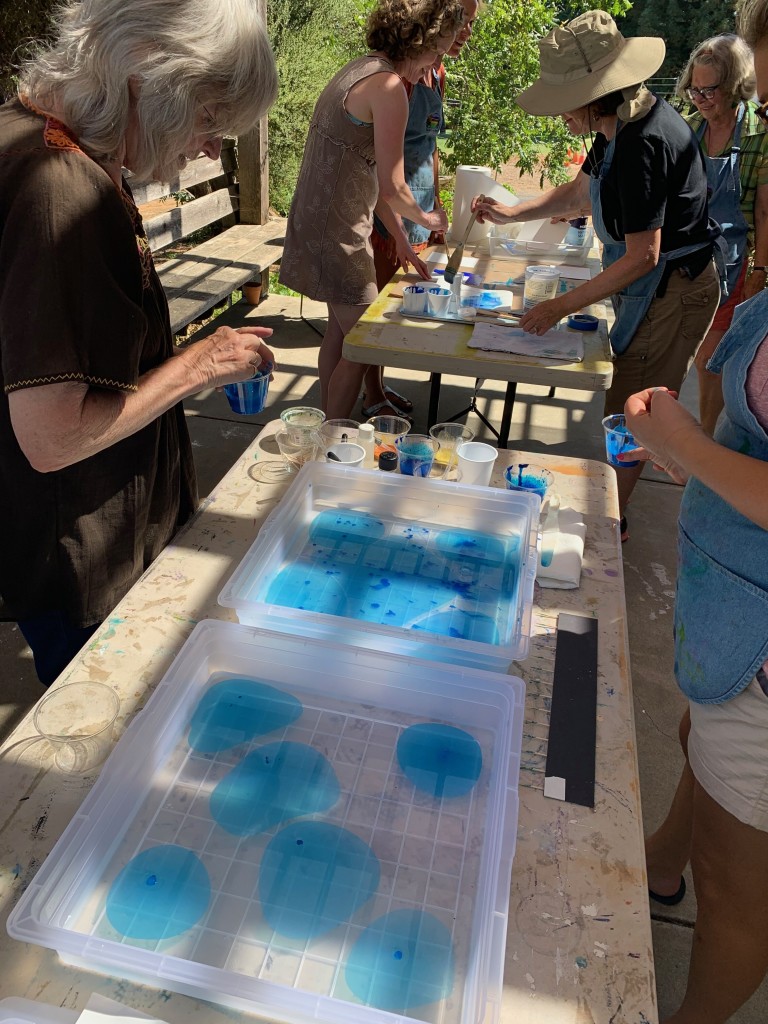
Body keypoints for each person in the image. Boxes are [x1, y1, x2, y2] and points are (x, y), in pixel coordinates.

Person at [0, 0, 278, 686]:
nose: (213, 146)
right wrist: (199, 365)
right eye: (211, 117)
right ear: (147, 69)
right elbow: (52, 437)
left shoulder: (39, 131)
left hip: (55, 541)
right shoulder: (58, 191)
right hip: (84, 556)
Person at [628, 6, 768, 1020]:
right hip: (736, 618)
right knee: (695, 729)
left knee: (742, 900)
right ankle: (661, 865)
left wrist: (680, 444)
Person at [472, 10, 721, 541]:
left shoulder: (642, 142)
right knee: (625, 405)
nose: (561, 115)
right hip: (655, 286)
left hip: (674, 289)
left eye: (566, 104)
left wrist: (558, 307)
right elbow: (581, 191)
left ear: (595, 93)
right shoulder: (617, 125)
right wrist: (511, 211)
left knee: (634, 412)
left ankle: (610, 525)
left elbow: (642, 256)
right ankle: (614, 510)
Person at [279, 0, 461, 420]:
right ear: (420, 40)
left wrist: (403, 242)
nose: (435, 63)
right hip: (336, 235)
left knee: (339, 339)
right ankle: (333, 440)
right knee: (367, 343)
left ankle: (327, 431)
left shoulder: (359, 69)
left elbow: (373, 179)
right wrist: (430, 218)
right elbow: (394, 186)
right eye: (437, 51)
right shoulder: (391, 88)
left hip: (320, 225)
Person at [362, 0, 479, 420]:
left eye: (470, 22)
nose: (466, 31)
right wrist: (412, 216)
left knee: (395, 306)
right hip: (386, 209)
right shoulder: (399, 77)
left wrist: (436, 202)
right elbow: (380, 169)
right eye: (462, 20)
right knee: (372, 309)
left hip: (420, 201)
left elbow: (428, 147)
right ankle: (370, 391)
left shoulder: (436, 72)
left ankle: (376, 383)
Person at [678, 33, 768, 436]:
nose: (700, 98)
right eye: (694, 89)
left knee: (711, 359)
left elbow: (766, 212)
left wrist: (760, 270)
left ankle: (708, 443)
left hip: (737, 264)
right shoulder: (688, 132)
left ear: (732, 85)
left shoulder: (759, 135)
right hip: (692, 262)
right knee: (692, 356)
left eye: (709, 90)